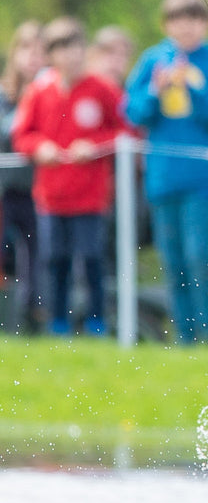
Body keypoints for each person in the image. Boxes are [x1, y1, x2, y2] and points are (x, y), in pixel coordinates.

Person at [124, 0, 208, 343]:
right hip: (162, 177)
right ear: (166, 25)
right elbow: (133, 112)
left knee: (199, 255)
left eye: (194, 19)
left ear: (206, 24)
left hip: (201, 179)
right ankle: (185, 337)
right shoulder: (153, 60)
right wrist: (155, 91)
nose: (186, 27)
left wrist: (195, 88)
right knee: (172, 260)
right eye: (178, 20)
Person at [10, 17, 129, 336]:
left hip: (90, 196)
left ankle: (96, 322)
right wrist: (41, 148)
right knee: (55, 260)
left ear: (84, 49)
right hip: (51, 196)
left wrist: (95, 146)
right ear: (51, 55)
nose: (69, 56)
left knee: (91, 259)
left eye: (74, 47)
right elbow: (22, 136)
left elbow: (126, 131)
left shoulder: (101, 89)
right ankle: (58, 323)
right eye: (61, 49)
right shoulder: (39, 91)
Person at [0, 21, 45, 331]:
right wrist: (30, 102)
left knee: (37, 259)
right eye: (27, 49)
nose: (33, 58)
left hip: (38, 190)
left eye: (40, 52)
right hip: (6, 189)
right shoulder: (5, 93)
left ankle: (34, 319)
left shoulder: (51, 92)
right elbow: (8, 132)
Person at [87, 25, 136, 90]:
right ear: (92, 54)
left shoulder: (129, 93)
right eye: (110, 52)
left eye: (123, 55)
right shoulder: (76, 87)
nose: (117, 60)